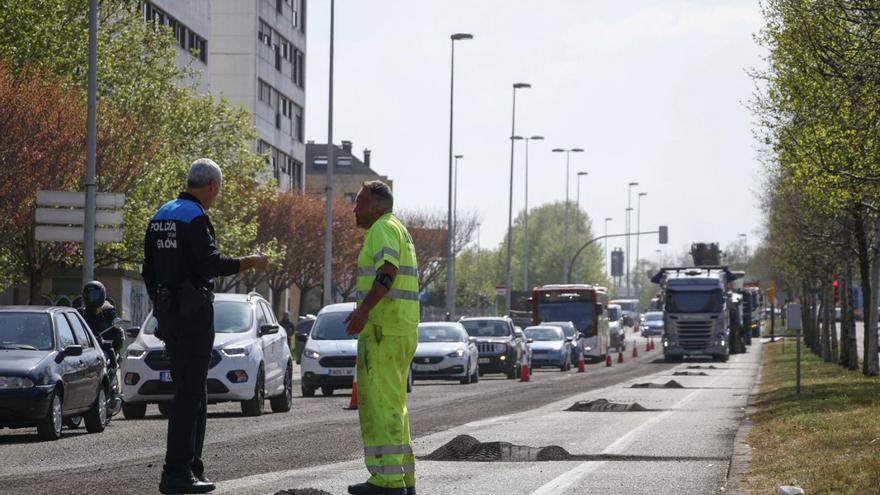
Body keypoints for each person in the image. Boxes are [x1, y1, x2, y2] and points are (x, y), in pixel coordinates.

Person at [142, 158, 268, 495]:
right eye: (218, 189)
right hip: (194, 315)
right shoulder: (195, 216)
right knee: (191, 395)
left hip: (170, 315)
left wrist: (161, 305)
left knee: (191, 392)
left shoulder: (160, 215)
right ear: (212, 186)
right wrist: (249, 262)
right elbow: (210, 264)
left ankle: (191, 468)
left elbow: (148, 270)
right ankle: (178, 473)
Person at [345, 180, 420, 495]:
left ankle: (387, 481)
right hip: (399, 328)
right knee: (395, 403)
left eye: (359, 202)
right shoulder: (398, 229)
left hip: (382, 330)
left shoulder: (382, 229)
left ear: (376, 207)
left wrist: (363, 311)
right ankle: (402, 477)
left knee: (380, 404)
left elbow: (386, 273)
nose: (354, 208)